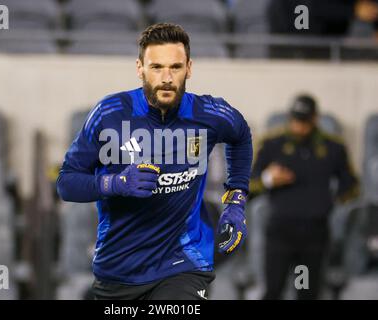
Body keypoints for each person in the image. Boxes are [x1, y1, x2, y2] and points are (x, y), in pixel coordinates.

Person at [56, 23, 253, 300]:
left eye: (175, 67)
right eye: (156, 67)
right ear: (140, 68)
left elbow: (241, 135)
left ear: (189, 68)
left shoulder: (209, 113)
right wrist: (117, 183)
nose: (167, 78)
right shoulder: (109, 114)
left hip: (183, 265)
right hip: (119, 270)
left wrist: (236, 200)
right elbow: (66, 184)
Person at [250, 94, 359, 299]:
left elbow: (351, 186)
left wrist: (329, 202)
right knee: (273, 290)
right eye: (295, 120)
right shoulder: (273, 144)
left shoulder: (332, 147)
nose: (299, 127)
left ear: (315, 119)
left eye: (304, 121)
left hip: (312, 238)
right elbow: (247, 188)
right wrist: (269, 180)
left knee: (305, 292)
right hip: (280, 235)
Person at [267, 0, 378, 59]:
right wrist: (353, 10)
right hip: (292, 46)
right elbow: (309, 6)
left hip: (331, 47)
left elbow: (371, 7)